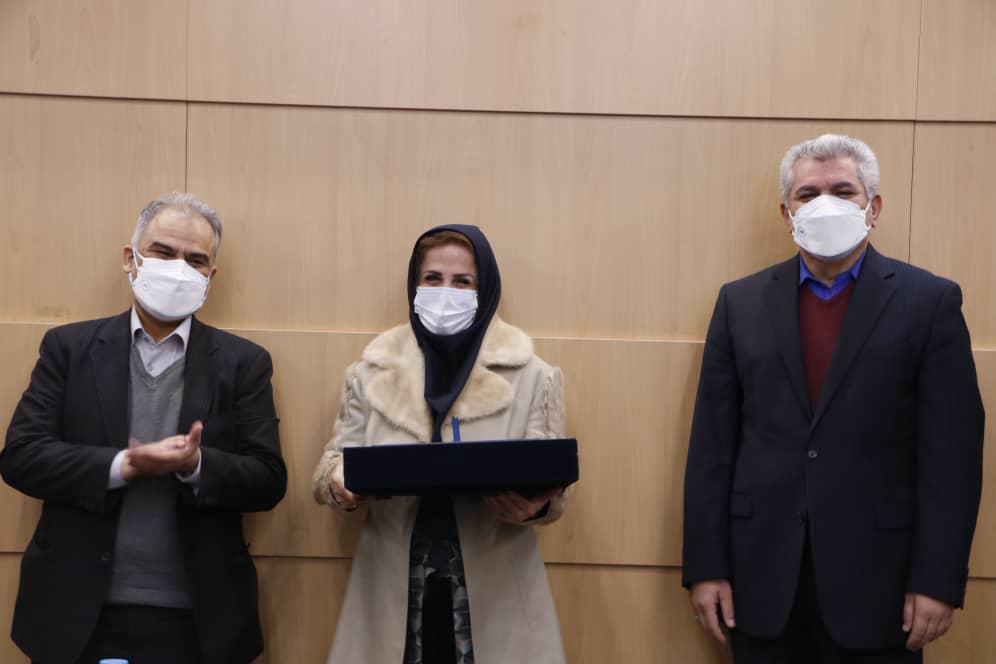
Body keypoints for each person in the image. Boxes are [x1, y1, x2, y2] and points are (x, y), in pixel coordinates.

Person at [682, 134, 984, 663]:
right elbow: (712, 447)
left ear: (873, 207)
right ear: (787, 212)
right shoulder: (739, 303)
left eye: (843, 191)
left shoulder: (929, 302)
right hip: (760, 583)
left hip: (881, 587)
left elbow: (951, 456)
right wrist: (706, 567)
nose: (825, 203)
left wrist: (938, 579)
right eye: (808, 193)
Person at [1, 193, 287, 664]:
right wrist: (121, 465)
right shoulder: (68, 348)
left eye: (196, 260)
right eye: (163, 252)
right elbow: (22, 457)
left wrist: (196, 464)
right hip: (75, 611)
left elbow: (268, 479)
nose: (178, 269)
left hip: (200, 619)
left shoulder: (244, 363)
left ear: (210, 276)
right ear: (130, 258)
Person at [313, 224, 568, 664]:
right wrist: (339, 482)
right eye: (432, 278)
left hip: (497, 587)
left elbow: (554, 485)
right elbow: (330, 467)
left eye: (462, 281)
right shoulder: (369, 372)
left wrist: (535, 506)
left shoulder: (534, 375)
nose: (445, 291)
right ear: (414, 284)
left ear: (485, 290)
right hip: (392, 583)